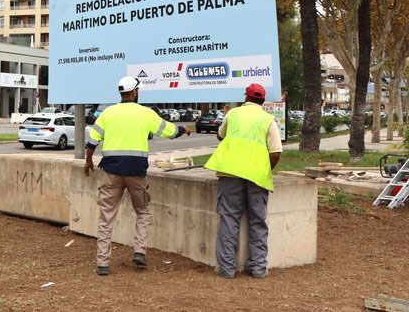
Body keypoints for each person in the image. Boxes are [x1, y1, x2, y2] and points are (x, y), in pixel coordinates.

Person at [84, 76, 189, 276]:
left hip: (111, 172)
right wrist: (183, 129)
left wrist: (88, 161)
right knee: (143, 212)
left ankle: (102, 264)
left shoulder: (108, 113)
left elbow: (92, 141)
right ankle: (139, 251)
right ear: (135, 92)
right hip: (137, 173)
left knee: (106, 217)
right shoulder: (145, 113)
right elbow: (170, 131)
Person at [204, 83, 282, 279]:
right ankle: (258, 268)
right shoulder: (269, 120)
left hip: (229, 174)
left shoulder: (233, 114)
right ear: (263, 101)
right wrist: (264, 170)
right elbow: (275, 152)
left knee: (229, 219)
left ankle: (227, 269)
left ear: (246, 97)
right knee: (258, 221)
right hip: (256, 177)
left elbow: (220, 135)